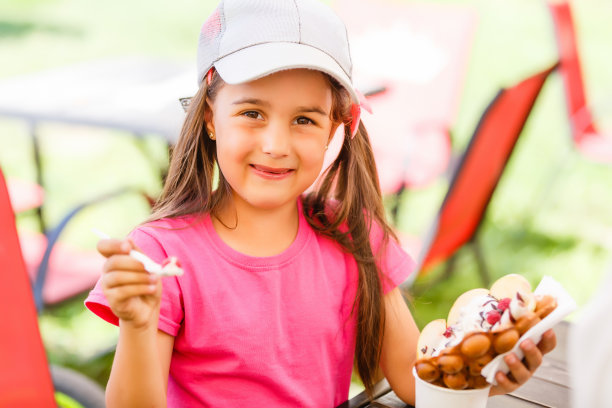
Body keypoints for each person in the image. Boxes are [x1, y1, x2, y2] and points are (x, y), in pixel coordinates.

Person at [84, 0, 556, 406]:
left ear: (335, 128)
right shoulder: (157, 257)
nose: (275, 144)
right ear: (210, 118)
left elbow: (419, 381)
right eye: (252, 113)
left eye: (304, 120)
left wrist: (486, 376)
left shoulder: (353, 235)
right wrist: (138, 325)